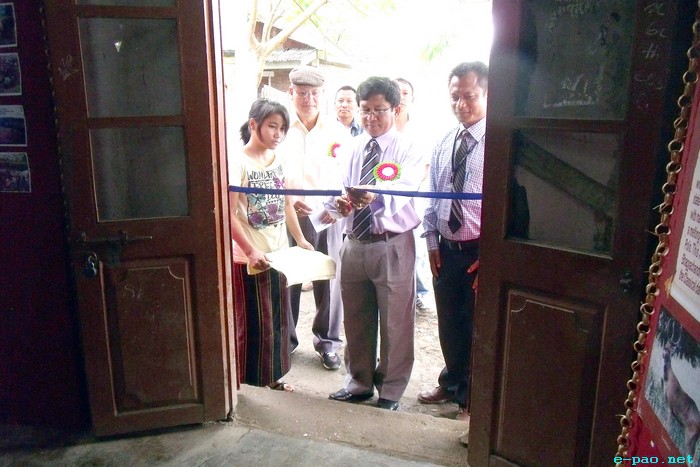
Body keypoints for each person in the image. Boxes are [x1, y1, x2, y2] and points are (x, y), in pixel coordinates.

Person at [327, 76, 424, 411]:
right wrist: (339, 205)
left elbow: (406, 186)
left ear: (395, 109)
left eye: (379, 110)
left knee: (395, 321)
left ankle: (391, 390)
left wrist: (376, 195)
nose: (370, 117)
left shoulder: (408, 148)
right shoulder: (351, 148)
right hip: (354, 241)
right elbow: (336, 190)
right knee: (355, 317)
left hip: (391, 243)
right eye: (365, 110)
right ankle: (359, 382)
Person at [418, 61, 488, 431]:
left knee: (478, 327)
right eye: (455, 97)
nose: (461, 104)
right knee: (449, 322)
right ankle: (451, 383)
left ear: (488, 94)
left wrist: (493, 257)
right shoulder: (445, 141)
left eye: (470, 96)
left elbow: (509, 207)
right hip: (445, 249)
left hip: (479, 252)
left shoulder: (499, 143)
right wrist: (432, 241)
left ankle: (472, 400)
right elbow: (432, 198)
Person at [229, 98, 314, 392]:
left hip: (279, 254)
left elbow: (287, 204)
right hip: (248, 258)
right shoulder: (237, 162)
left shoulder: (280, 160)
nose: (278, 134)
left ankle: (272, 378)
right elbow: (228, 214)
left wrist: (300, 239)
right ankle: (245, 384)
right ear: (254, 125)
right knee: (254, 322)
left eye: (282, 128)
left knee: (277, 321)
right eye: (272, 127)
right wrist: (250, 250)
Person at [277, 65, 349, 371]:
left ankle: (328, 342)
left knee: (328, 278)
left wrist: (335, 209)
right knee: (286, 278)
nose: (309, 99)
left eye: (315, 93)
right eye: (302, 93)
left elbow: (348, 175)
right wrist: (287, 200)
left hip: (327, 216)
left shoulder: (337, 131)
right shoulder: (279, 127)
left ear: (323, 95)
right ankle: (286, 341)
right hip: (287, 214)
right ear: (291, 92)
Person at [394, 77, 433, 312]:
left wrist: (408, 188)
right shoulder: (384, 126)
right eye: (396, 91)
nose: (401, 97)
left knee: (415, 246)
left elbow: (426, 166)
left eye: (405, 93)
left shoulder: (419, 130)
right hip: (387, 196)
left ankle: (421, 292)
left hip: (414, 195)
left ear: (412, 98)